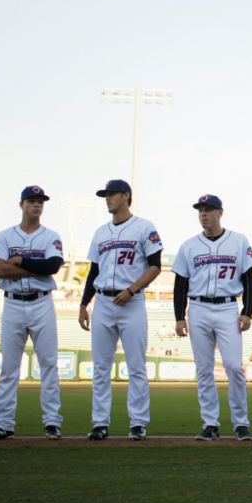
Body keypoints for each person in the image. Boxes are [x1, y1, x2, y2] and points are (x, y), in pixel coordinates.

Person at [79, 180, 163, 441]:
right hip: (103, 302)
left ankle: (138, 422)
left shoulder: (144, 227)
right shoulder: (100, 232)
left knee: (136, 365)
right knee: (101, 368)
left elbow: (155, 266)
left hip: (132, 303)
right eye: (105, 195)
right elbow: (95, 271)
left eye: (112, 194)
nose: (107, 199)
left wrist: (132, 290)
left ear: (126, 196)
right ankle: (100, 422)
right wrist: (84, 303)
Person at [0, 186, 65, 441]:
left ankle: (52, 422)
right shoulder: (5, 236)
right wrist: (34, 269)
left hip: (42, 303)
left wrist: (21, 261)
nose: (36, 205)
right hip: (13, 304)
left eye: (40, 201)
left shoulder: (51, 236)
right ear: (22, 205)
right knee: (9, 366)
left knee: (49, 364)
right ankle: (4, 423)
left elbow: (53, 266)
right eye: (31, 201)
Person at [172, 194, 252, 442]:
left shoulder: (238, 241)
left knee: (233, 367)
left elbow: (249, 280)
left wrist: (247, 311)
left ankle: (241, 423)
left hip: (228, 308)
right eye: (200, 211)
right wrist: (179, 316)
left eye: (208, 210)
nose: (203, 214)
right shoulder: (189, 245)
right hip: (198, 308)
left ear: (220, 212)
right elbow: (180, 285)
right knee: (204, 369)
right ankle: (210, 423)